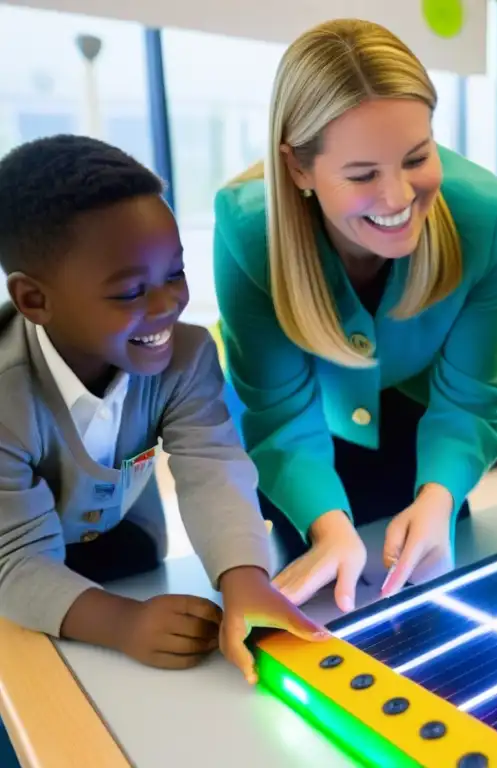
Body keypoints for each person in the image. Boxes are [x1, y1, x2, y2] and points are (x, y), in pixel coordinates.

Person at [213, 19, 497, 613]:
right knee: (327, 599)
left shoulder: (489, 216)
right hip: (304, 437)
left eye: (417, 157)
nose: (400, 198)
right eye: (362, 175)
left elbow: (470, 398)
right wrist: (327, 526)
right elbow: (279, 413)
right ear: (298, 169)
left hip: (421, 427)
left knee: (433, 585)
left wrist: (437, 499)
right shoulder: (247, 231)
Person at [0, 135, 328, 685]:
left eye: (174, 275)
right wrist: (123, 624)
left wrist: (243, 577)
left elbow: (213, 468)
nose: (164, 307)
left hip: (133, 547)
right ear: (34, 300)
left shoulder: (189, 356)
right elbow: (14, 561)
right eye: (129, 292)